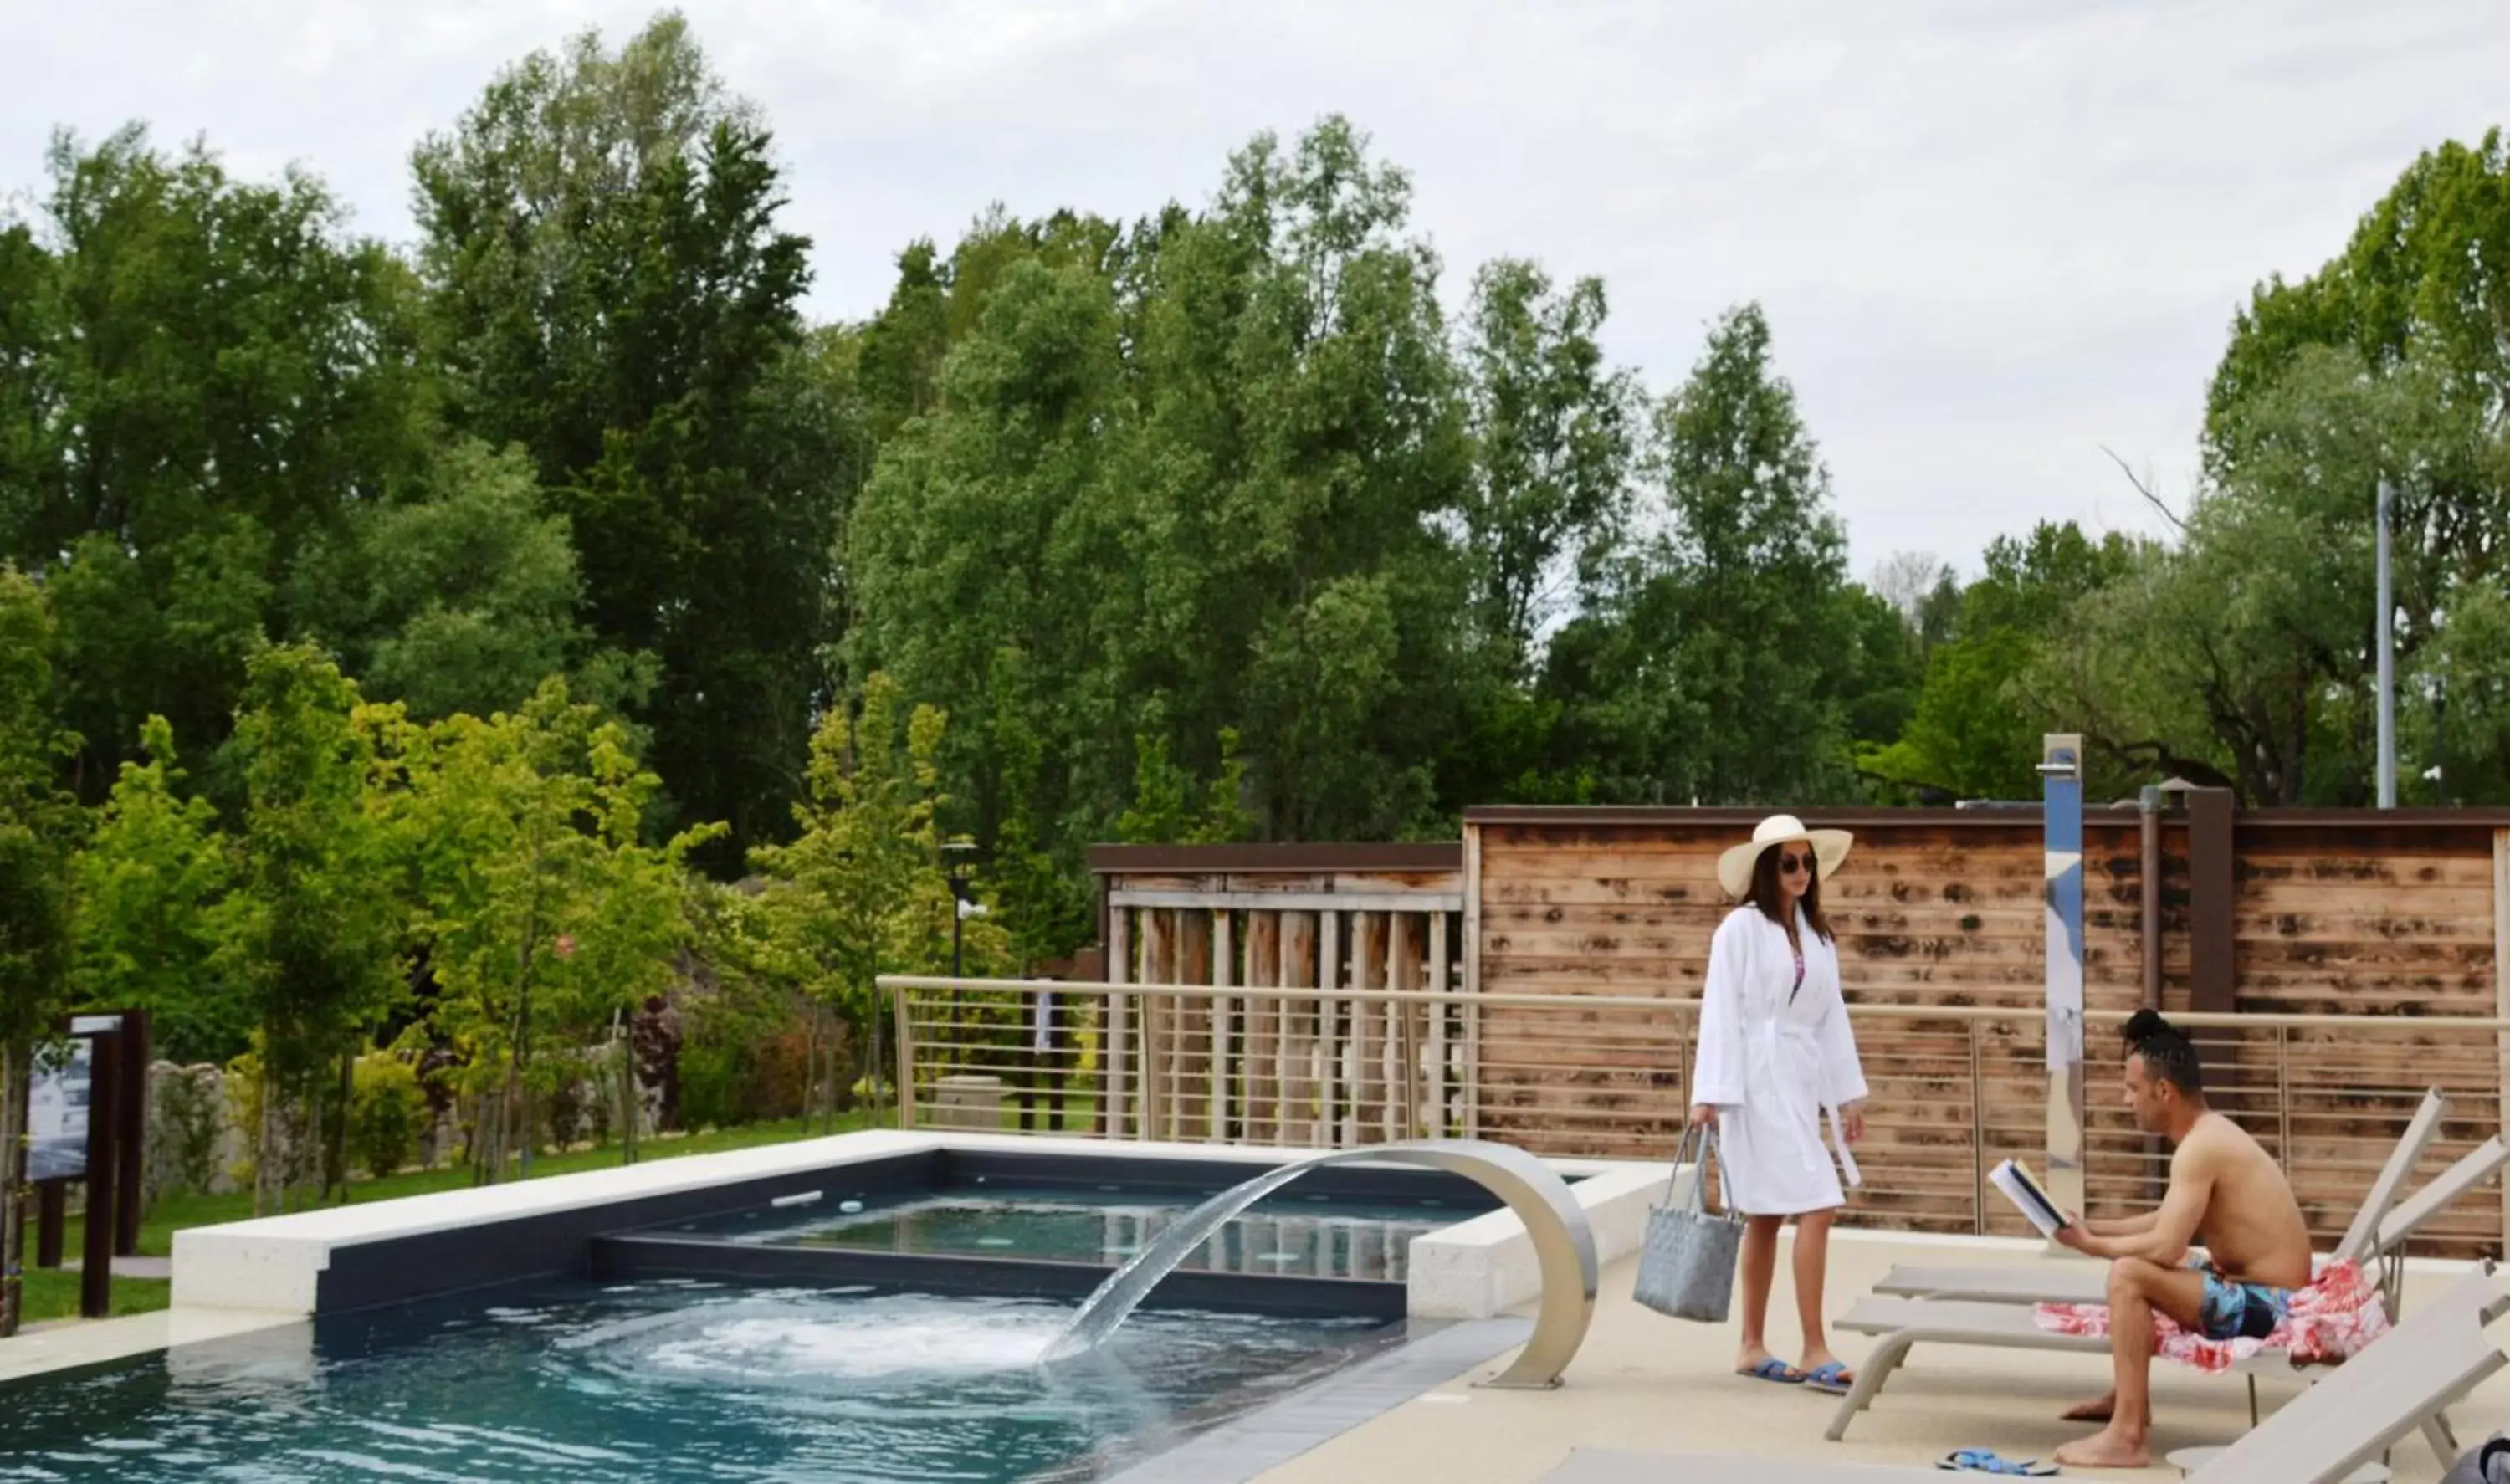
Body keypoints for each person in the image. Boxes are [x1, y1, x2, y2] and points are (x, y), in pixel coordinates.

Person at [2046, 1008, 2313, 1470]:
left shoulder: (2199, 1148)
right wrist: (2092, 1227)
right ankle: (2129, 1401)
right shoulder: (2208, 1136)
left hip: (2273, 1306)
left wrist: (2095, 1247)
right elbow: (2167, 1219)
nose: (2125, 1099)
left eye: (2132, 1089)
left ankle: (2127, 1436)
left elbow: (2164, 1247)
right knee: (2144, 1264)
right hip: (2256, 1288)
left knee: (2130, 1274)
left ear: (2164, 1091)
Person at [1687, 813, 1868, 1394]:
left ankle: (1751, 1344)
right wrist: (1709, 1094)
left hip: (1796, 1080)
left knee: (1766, 1214)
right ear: (1768, 869)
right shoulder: (1739, 929)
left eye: (1807, 862)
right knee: (1819, 1201)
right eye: (1789, 863)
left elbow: (1831, 1017)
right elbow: (1718, 1008)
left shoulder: (1816, 937)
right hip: (1751, 1084)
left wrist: (1847, 1097)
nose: (1801, 872)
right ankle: (1814, 1345)